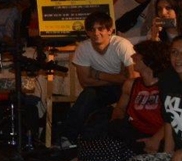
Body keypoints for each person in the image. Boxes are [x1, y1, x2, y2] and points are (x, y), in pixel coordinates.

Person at [75, 40, 168, 161]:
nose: (133, 57)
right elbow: (119, 110)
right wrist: (116, 129)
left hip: (160, 135)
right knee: (91, 146)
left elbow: (172, 119)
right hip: (135, 135)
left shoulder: (167, 85)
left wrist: (155, 139)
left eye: (137, 54)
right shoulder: (131, 84)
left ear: (148, 59)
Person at [58, 11, 136, 146]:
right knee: (87, 95)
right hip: (101, 88)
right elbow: (85, 82)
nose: (96, 33)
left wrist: (98, 74)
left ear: (110, 30)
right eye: (92, 29)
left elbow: (132, 79)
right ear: (87, 32)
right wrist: (117, 78)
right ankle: (69, 138)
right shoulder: (83, 47)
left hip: (124, 89)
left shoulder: (122, 44)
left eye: (101, 29)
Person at [129, 36, 182, 161]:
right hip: (178, 152)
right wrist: (167, 155)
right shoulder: (167, 80)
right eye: (174, 52)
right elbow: (169, 121)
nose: (178, 58)